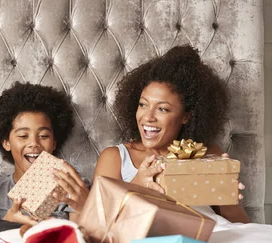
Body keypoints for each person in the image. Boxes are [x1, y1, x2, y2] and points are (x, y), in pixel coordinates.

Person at [93, 45, 249, 223]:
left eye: (162, 109)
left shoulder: (209, 155)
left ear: (186, 116)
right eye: (143, 105)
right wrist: (138, 185)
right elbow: (97, 222)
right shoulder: (116, 158)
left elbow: (242, 226)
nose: (148, 117)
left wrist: (228, 198)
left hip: (210, 238)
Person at [0, 82, 90, 226]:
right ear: (6, 142)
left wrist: (83, 209)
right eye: (23, 136)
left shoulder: (75, 187)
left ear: (54, 142)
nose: (34, 143)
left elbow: (81, 240)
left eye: (43, 136)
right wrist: (7, 223)